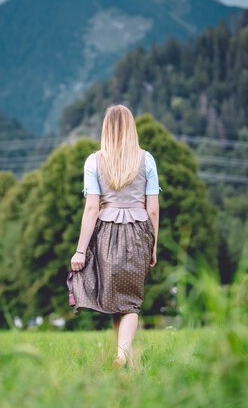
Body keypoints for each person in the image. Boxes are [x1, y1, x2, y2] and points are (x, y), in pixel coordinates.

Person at [69, 104, 161, 369]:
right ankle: (123, 357)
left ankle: (124, 361)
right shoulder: (147, 159)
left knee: (116, 301)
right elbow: (152, 209)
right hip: (139, 233)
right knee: (130, 302)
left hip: (106, 234)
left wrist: (80, 250)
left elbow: (91, 208)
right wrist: (154, 244)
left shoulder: (94, 161)